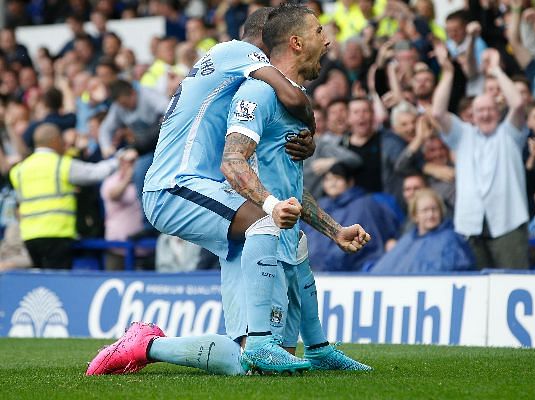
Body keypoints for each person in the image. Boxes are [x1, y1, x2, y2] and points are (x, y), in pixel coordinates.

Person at [88, 6, 369, 377]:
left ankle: (149, 345)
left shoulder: (246, 94)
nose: (326, 39)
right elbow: (295, 101)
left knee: (247, 366)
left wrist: (333, 229)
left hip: (215, 192)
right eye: (316, 31)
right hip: (176, 183)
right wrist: (312, 133)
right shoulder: (237, 55)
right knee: (266, 222)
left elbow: (283, 182)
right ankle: (273, 343)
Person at [431, 44, 529, 269]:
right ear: (471, 116)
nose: (485, 114)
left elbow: (518, 103)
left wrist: (496, 71)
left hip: (508, 222)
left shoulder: (510, 133)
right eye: (479, 111)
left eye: (490, 109)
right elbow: (437, 112)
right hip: (470, 224)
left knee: (509, 284)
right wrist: (447, 73)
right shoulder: (462, 135)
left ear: (498, 111)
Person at [9, 123, 136, 269]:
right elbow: (95, 173)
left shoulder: (19, 170)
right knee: (56, 286)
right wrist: (118, 160)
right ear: (55, 140)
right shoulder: (61, 165)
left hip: (29, 237)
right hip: (57, 235)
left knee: (41, 283)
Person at [305, 163, 399, 272]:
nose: (332, 183)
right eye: (328, 179)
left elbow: (379, 238)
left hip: (356, 274)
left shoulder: (365, 204)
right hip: (319, 274)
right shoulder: (318, 206)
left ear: (350, 182)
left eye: (338, 178)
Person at [370, 188, 474, 274]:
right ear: (415, 216)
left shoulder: (452, 239)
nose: (431, 215)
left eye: (434, 209)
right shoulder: (407, 240)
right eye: (425, 210)